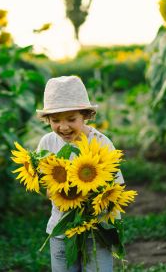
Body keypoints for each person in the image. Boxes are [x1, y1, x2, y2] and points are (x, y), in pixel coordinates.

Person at [36, 75, 124, 272]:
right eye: (55, 120)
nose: (63, 127)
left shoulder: (101, 143)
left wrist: (91, 192)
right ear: (47, 119)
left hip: (97, 229)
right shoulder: (47, 144)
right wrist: (56, 191)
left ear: (85, 115)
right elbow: (44, 183)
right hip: (60, 228)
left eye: (71, 119)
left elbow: (116, 187)